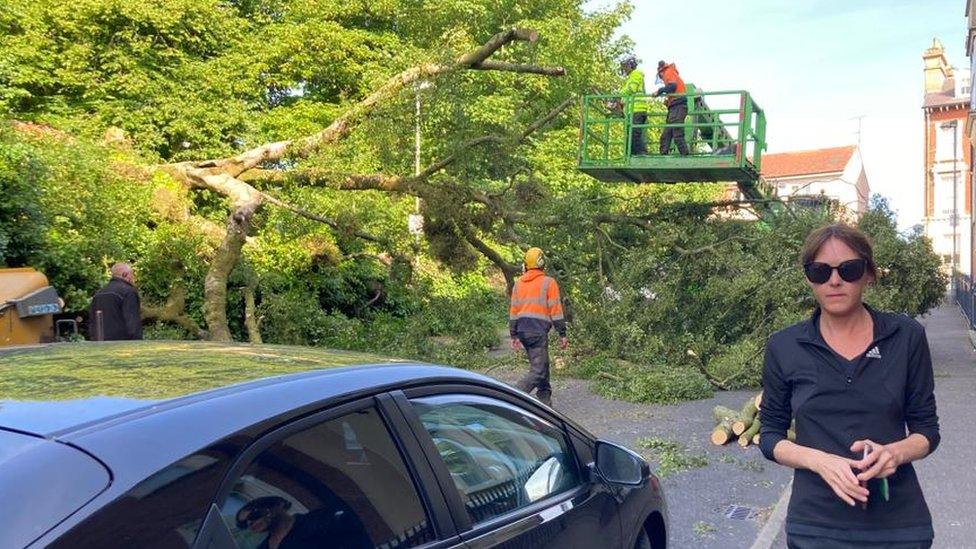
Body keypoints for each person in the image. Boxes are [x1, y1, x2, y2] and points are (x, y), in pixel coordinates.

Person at [759, 224, 940, 549]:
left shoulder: (906, 337)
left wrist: (894, 453)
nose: (834, 280)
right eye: (820, 271)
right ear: (808, 278)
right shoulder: (784, 346)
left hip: (899, 527)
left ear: (868, 273)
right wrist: (820, 461)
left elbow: (927, 430)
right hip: (815, 527)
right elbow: (771, 435)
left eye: (849, 269)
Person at [509, 247, 568, 406]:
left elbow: (514, 310)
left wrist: (513, 335)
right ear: (542, 263)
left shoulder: (518, 284)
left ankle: (545, 404)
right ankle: (513, 396)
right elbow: (555, 310)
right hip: (537, 331)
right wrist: (562, 333)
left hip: (522, 331)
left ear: (526, 265)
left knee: (542, 365)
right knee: (539, 371)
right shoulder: (549, 282)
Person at [90, 262, 143, 341]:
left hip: (99, 340)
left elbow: (92, 320)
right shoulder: (128, 292)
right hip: (122, 342)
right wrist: (136, 341)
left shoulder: (99, 293)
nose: (133, 278)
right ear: (125, 274)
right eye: (132, 274)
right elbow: (132, 321)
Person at [652, 60, 690, 156]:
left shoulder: (668, 72)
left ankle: (685, 155)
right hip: (674, 106)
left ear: (660, 71)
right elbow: (674, 89)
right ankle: (663, 155)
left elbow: (672, 86)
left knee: (677, 133)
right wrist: (668, 101)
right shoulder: (671, 73)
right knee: (666, 134)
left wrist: (659, 91)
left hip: (678, 105)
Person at [616, 55, 648, 155]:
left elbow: (631, 89)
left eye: (625, 66)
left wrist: (618, 95)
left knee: (634, 133)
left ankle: (642, 153)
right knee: (630, 134)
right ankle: (632, 154)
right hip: (632, 109)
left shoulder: (636, 74)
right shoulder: (631, 76)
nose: (624, 69)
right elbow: (629, 94)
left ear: (631, 65)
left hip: (637, 109)